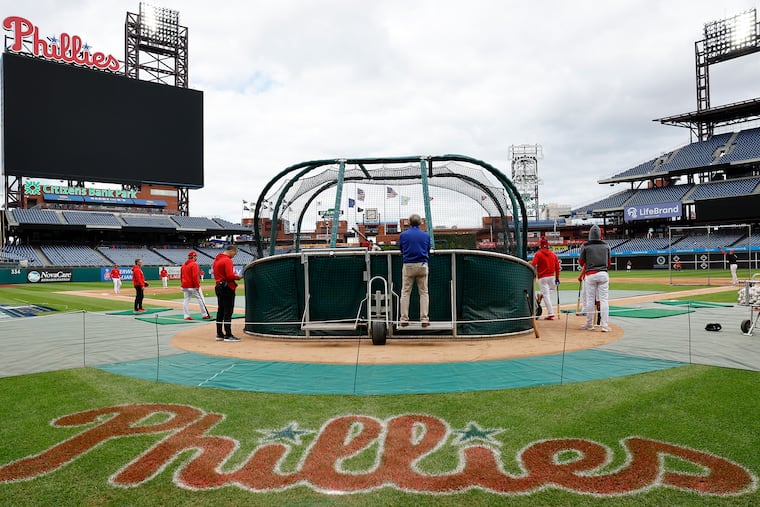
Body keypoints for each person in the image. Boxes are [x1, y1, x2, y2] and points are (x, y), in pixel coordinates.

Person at [398, 213, 432, 327]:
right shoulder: (426, 235)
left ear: (409, 222)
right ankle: (424, 319)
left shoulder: (403, 235)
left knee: (405, 292)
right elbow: (428, 249)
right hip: (422, 265)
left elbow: (401, 249)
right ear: (420, 223)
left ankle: (403, 319)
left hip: (408, 265)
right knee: (424, 293)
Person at [578, 225, 611, 332]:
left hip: (590, 275)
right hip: (603, 274)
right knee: (604, 300)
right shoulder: (606, 246)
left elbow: (581, 262)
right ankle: (605, 325)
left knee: (590, 300)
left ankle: (589, 324)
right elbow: (609, 264)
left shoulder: (585, 246)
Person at [213, 244, 242, 342]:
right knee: (228, 311)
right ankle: (228, 334)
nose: (234, 255)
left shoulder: (216, 260)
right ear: (232, 251)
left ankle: (219, 334)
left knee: (220, 311)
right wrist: (238, 277)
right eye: (235, 253)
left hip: (218, 287)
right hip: (227, 288)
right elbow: (230, 276)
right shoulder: (227, 260)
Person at [530, 236, 561, 320]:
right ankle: (550, 312)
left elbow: (533, 264)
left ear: (540, 245)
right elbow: (557, 267)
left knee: (546, 295)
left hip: (542, 278)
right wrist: (557, 278)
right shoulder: (553, 254)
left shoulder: (538, 254)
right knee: (552, 290)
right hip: (552, 277)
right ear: (548, 245)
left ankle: (550, 313)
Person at [181, 252, 211, 321]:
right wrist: (197, 286)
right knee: (201, 299)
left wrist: (182, 284)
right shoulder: (194, 264)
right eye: (196, 256)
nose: (196, 258)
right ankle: (205, 314)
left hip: (185, 285)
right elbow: (195, 276)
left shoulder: (183, 265)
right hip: (192, 286)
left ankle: (186, 316)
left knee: (186, 300)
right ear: (193, 257)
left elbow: (181, 276)